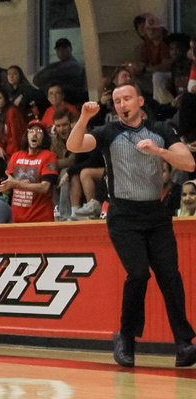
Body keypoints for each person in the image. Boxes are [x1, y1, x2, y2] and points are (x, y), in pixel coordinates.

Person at [67, 82, 196, 368]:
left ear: (139, 100)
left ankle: (184, 343)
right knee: (138, 274)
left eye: (127, 98)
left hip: (157, 215)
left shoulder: (161, 130)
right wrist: (85, 118)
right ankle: (125, 337)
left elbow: (188, 163)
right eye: (117, 101)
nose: (122, 104)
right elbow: (73, 145)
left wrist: (159, 152)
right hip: (123, 216)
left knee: (170, 277)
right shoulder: (108, 132)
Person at [0, 121, 58, 223]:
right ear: (26, 135)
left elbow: (45, 187)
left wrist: (17, 184)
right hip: (18, 220)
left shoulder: (49, 156)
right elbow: (8, 185)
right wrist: (5, 187)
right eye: (31, 131)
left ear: (44, 137)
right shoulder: (15, 156)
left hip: (41, 219)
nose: (34, 134)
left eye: (39, 131)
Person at [33, 37, 87, 104]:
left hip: (68, 101)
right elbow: (36, 79)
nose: (61, 51)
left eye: (64, 48)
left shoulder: (75, 66)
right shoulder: (54, 65)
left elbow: (56, 75)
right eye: (58, 49)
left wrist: (49, 79)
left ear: (70, 48)